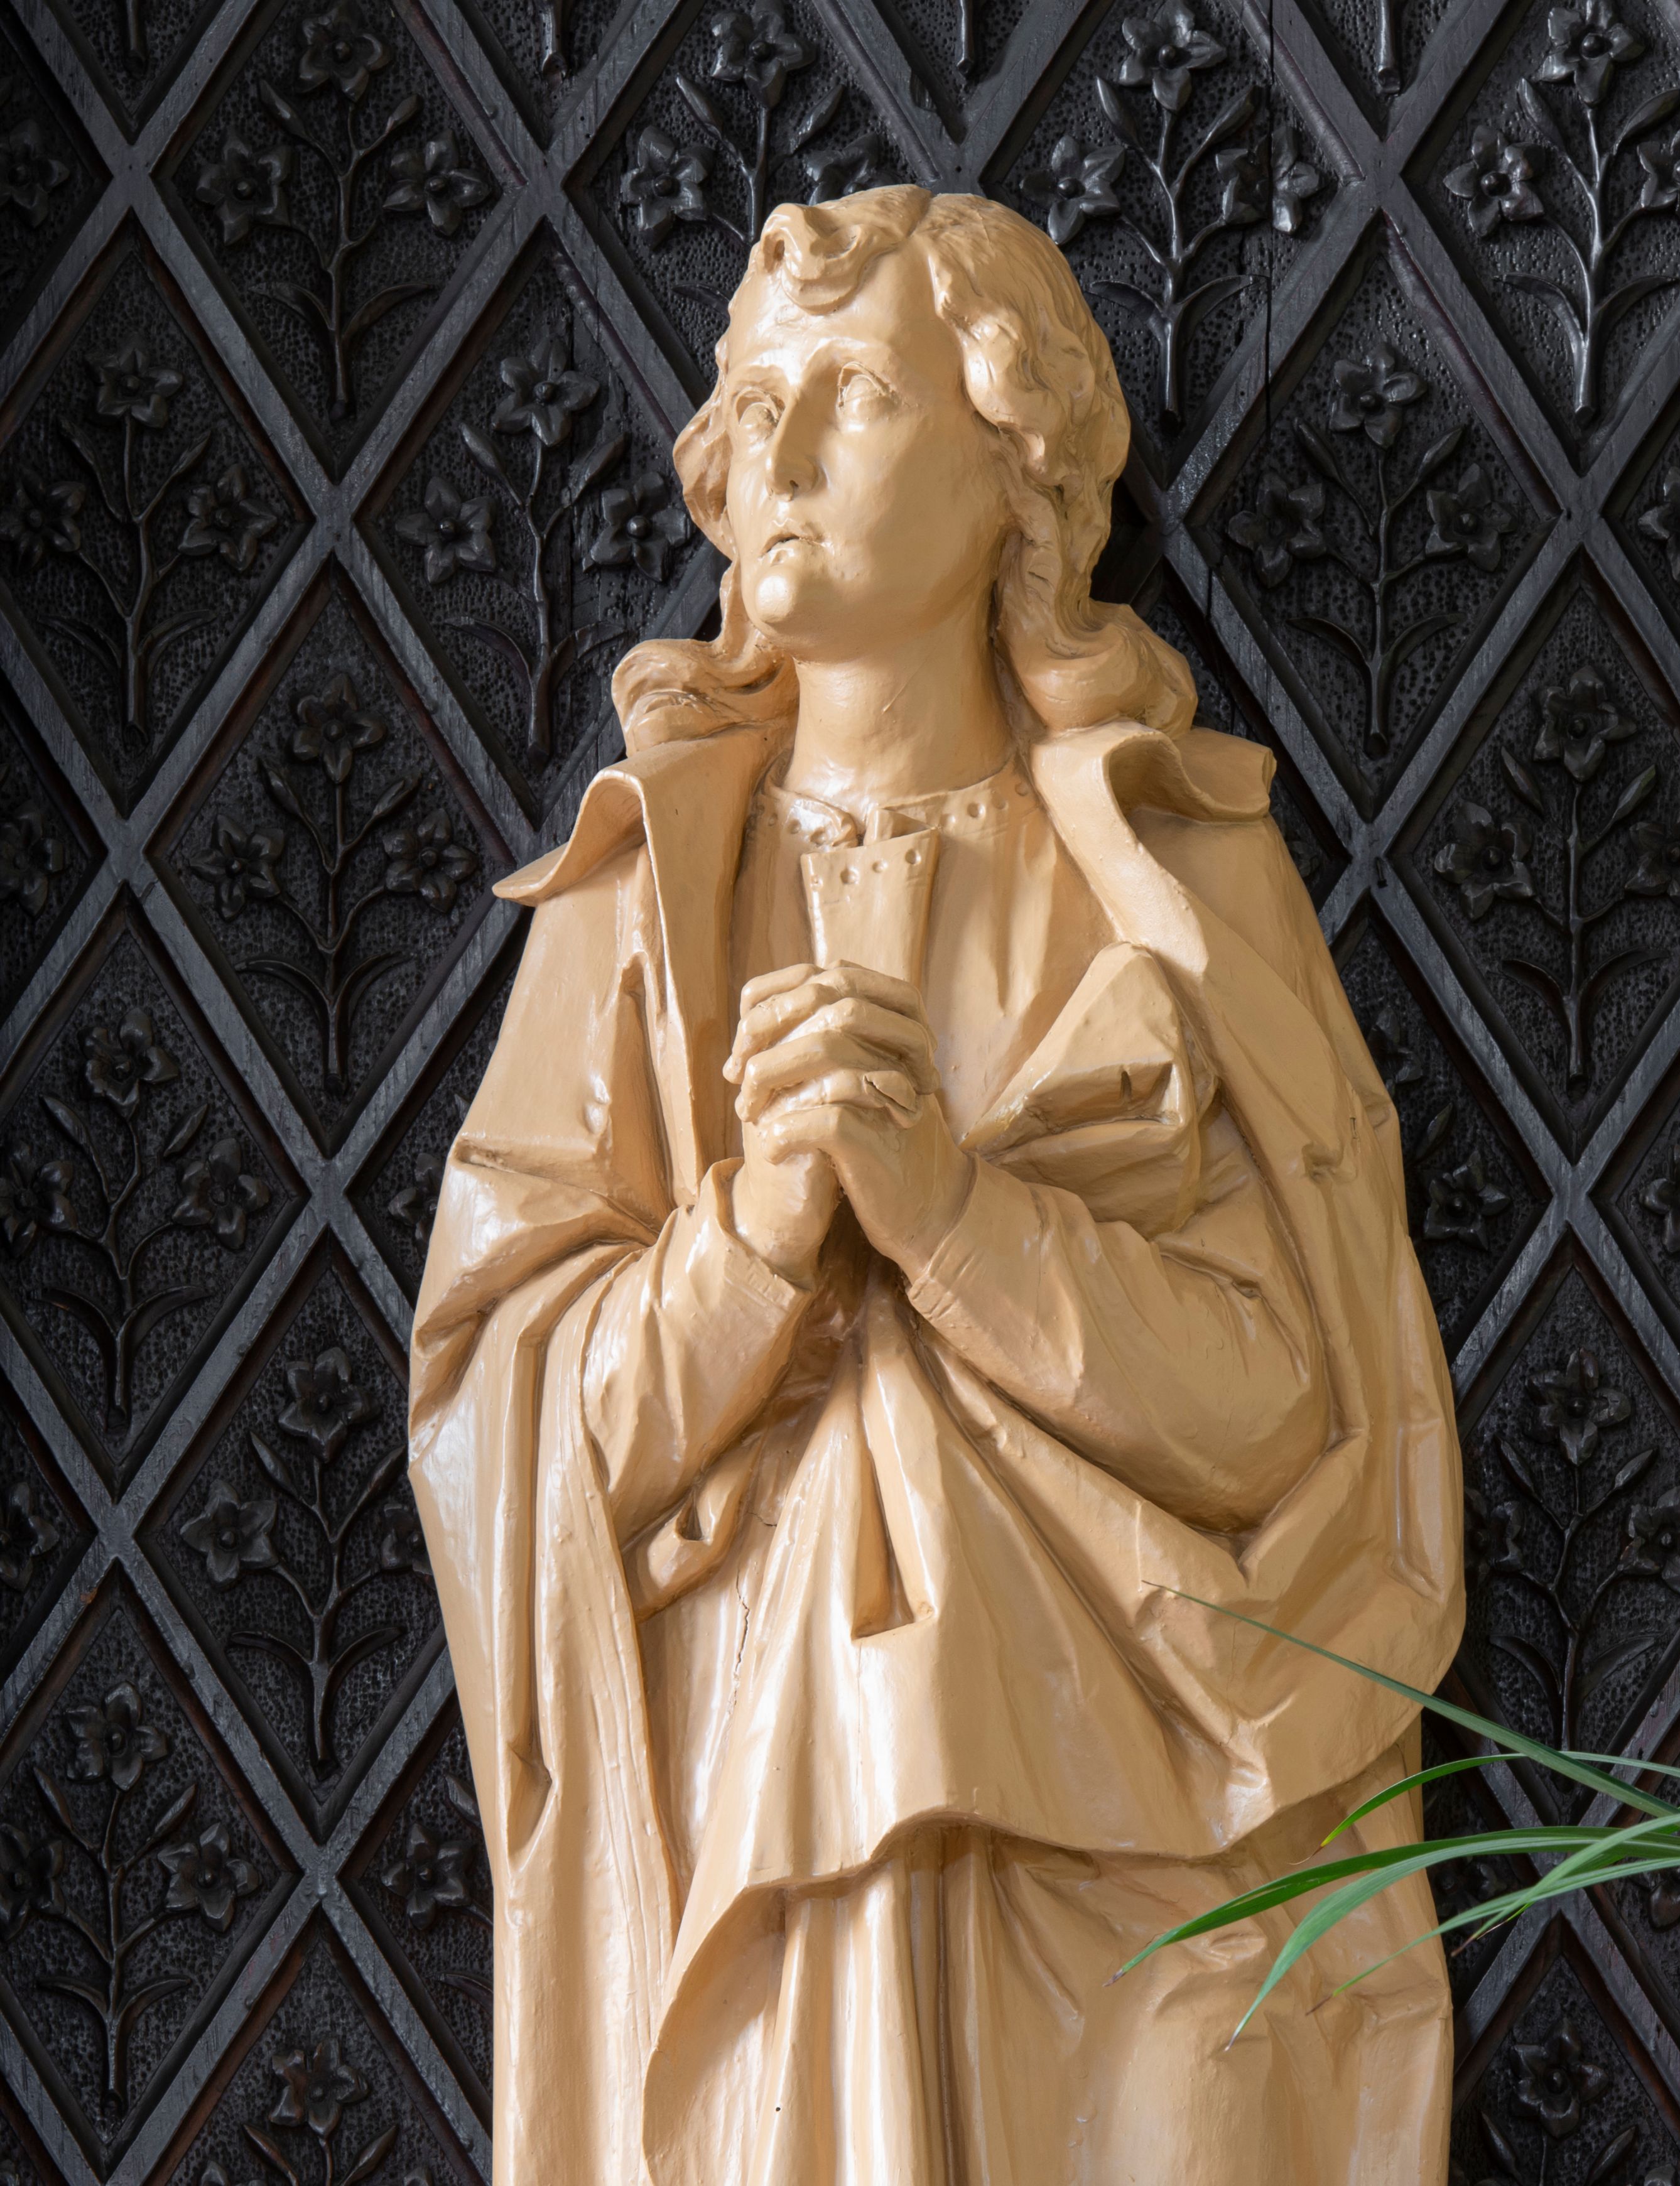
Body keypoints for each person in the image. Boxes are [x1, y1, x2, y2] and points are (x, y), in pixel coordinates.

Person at [408, 185, 1465, 2186]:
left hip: (1155, 1846)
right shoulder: (645, 902)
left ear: (1015, 474)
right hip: (772, 1831)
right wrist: (757, 1238)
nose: (782, 458)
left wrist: (960, 1218)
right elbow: (516, 1426)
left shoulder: (1164, 880)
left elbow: (1290, 1405)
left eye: (858, 398)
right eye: (758, 405)